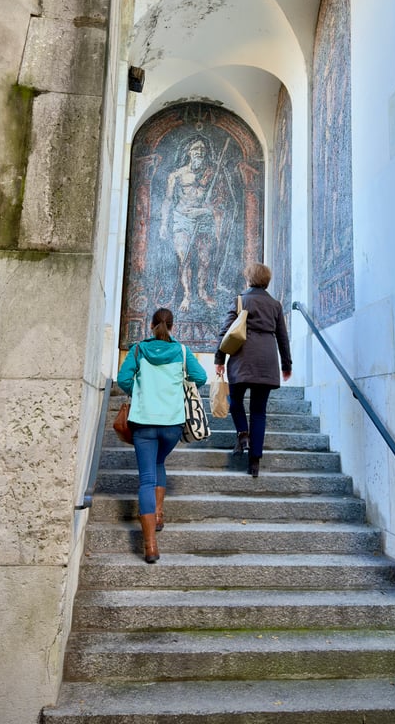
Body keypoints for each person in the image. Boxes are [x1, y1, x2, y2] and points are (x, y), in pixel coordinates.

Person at [116, 307, 207, 563]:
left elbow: (123, 379)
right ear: (172, 327)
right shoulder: (182, 351)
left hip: (144, 422)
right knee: (159, 462)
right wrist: (177, 388)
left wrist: (139, 391)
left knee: (147, 479)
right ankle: (158, 514)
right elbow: (200, 377)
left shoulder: (138, 350)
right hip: (172, 424)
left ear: (151, 326)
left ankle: (150, 545)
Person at [214, 263, 292, 478]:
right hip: (266, 361)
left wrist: (219, 359)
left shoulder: (240, 300)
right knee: (259, 412)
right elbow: (283, 338)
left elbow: (225, 332)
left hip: (242, 359)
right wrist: (286, 365)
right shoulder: (275, 305)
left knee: (235, 401)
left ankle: (243, 434)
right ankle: (254, 462)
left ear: (249, 279)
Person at [159, 135, 232, 312]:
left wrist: (206, 211)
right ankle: (187, 295)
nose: (199, 152)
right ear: (188, 152)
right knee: (184, 258)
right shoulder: (177, 175)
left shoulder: (214, 173)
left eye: (202, 149)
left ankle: (202, 291)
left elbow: (223, 200)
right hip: (182, 219)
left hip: (205, 219)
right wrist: (163, 224)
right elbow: (168, 200)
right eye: (195, 149)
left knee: (204, 258)